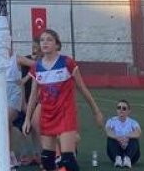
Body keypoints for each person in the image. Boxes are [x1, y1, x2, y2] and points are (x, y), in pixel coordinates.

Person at [22, 29, 103, 171]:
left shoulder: (67, 63)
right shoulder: (37, 67)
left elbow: (82, 88)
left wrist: (96, 111)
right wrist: (27, 119)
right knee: (47, 159)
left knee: (67, 159)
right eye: (42, 40)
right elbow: (34, 95)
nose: (45, 43)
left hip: (65, 114)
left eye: (49, 39)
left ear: (57, 45)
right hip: (47, 115)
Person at [103, 99, 142, 168]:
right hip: (115, 151)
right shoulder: (111, 121)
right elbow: (108, 131)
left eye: (124, 108)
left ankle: (127, 159)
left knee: (134, 139)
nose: (121, 110)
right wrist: (118, 138)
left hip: (132, 154)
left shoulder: (133, 122)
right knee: (110, 139)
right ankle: (118, 159)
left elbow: (138, 133)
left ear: (128, 111)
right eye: (119, 108)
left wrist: (127, 137)